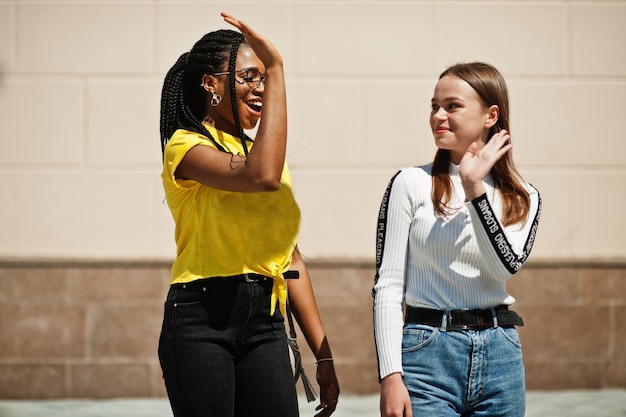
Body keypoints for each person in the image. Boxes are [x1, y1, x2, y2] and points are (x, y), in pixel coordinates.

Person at [158, 12, 339, 417]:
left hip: (266, 322)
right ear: (211, 84)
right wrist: (276, 68)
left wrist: (322, 354)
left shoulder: (268, 161)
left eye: (263, 77)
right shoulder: (185, 147)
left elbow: (289, 259)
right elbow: (261, 175)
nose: (260, 88)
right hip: (201, 318)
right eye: (249, 77)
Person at [373, 62, 541, 417]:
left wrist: (474, 190)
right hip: (426, 353)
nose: (438, 116)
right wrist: (390, 375)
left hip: (501, 355)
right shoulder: (410, 182)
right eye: (434, 106)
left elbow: (503, 267)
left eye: (452, 106)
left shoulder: (524, 195)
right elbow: (387, 286)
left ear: (490, 115)